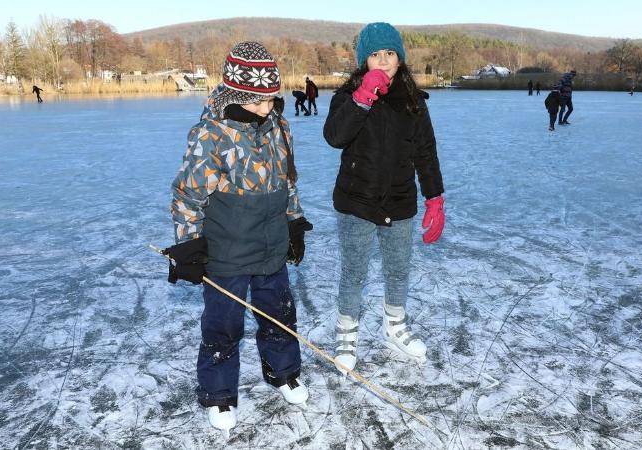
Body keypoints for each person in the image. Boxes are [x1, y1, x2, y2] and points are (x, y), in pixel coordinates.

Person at [165, 41, 314, 433]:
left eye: (272, 96)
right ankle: (218, 395)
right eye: (259, 98)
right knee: (223, 325)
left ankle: (284, 373)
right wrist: (190, 247)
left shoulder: (281, 126)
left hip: (270, 246)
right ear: (238, 93)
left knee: (279, 314)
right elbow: (187, 195)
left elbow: (289, 180)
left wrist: (294, 223)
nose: (269, 105)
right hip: (227, 251)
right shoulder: (212, 134)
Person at [323, 22, 445, 373]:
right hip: (356, 201)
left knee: (398, 271)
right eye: (374, 54)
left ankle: (395, 327)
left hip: (399, 200)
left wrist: (434, 197)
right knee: (354, 272)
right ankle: (346, 331)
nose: (383, 60)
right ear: (364, 61)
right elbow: (334, 136)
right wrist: (362, 97)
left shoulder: (414, 103)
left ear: (400, 58)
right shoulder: (346, 97)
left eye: (389, 53)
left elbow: (426, 152)